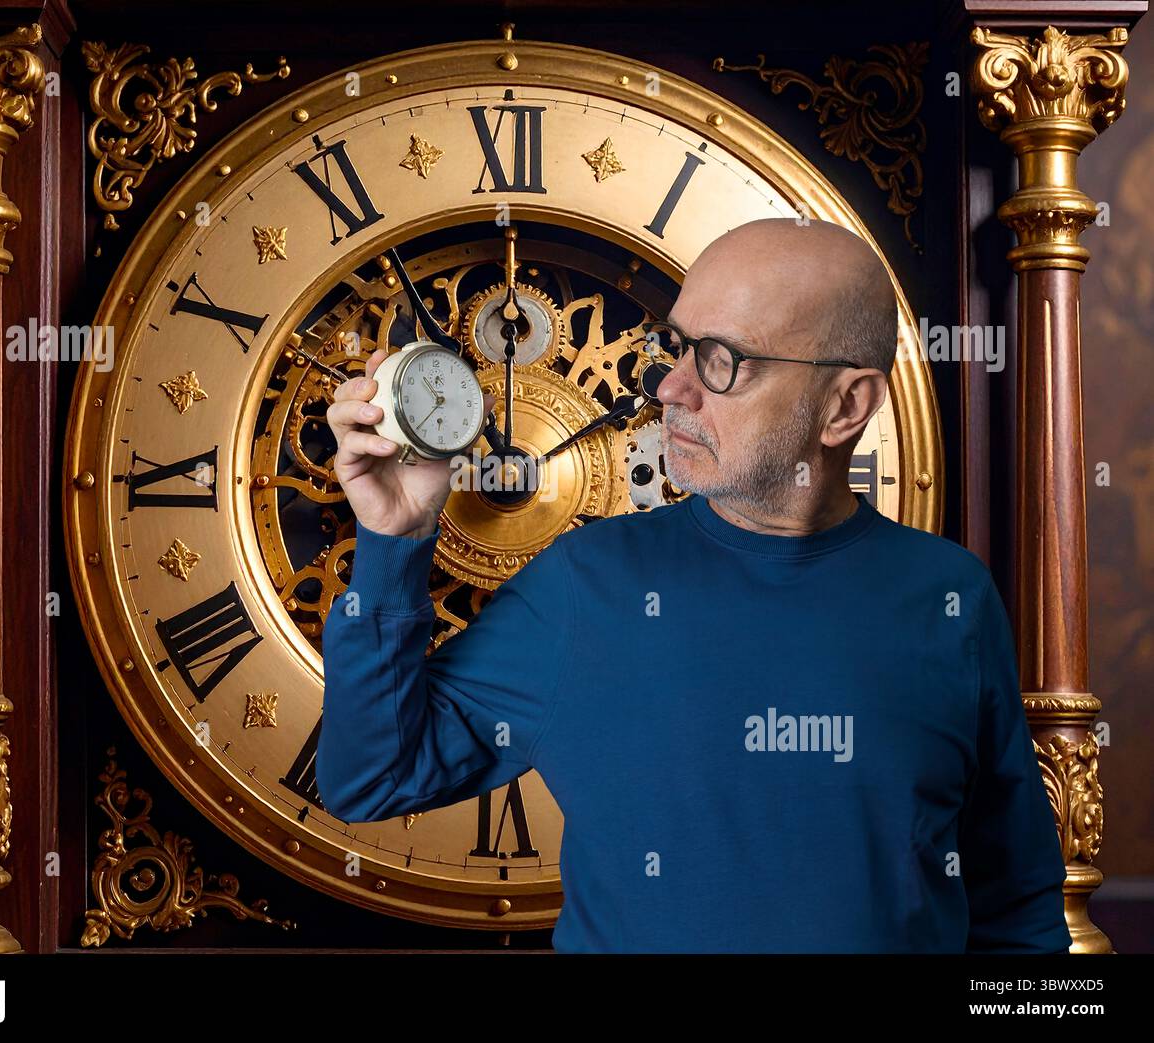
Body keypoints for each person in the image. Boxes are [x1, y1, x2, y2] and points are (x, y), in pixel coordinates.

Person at [317, 217, 1072, 954]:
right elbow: (371, 779)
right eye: (678, 346)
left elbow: (1016, 911)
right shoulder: (583, 587)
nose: (672, 388)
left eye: (723, 360)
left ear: (846, 406)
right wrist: (395, 539)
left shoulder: (953, 598)